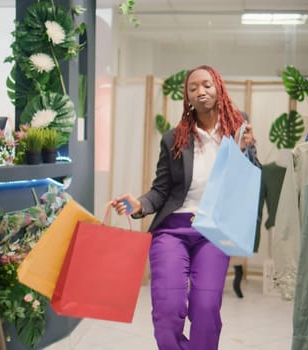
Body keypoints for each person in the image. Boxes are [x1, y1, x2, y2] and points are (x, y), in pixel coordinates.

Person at [111, 65, 260, 350]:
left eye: (206, 85)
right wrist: (139, 205)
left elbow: (250, 179)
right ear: (187, 97)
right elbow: (161, 189)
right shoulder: (173, 138)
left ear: (219, 87)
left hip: (214, 232)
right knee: (167, 311)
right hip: (172, 231)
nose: (200, 92)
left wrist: (245, 152)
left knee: (205, 310)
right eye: (193, 88)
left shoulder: (239, 130)